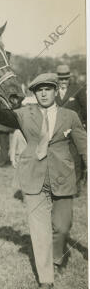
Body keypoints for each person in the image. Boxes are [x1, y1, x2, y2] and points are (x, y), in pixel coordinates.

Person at [0, 73, 87, 289]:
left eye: (48, 89)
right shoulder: (25, 114)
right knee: (39, 230)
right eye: (39, 90)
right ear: (34, 93)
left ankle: (56, 257)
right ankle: (46, 279)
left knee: (62, 227)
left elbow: (84, 145)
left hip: (63, 177)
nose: (43, 93)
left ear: (55, 91)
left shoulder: (69, 116)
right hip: (33, 178)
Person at [55, 64, 87, 193]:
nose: (63, 81)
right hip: (58, 131)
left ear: (69, 78)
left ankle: (75, 187)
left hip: (74, 130)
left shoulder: (78, 89)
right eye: (61, 79)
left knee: (75, 158)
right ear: (58, 79)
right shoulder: (53, 90)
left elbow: (85, 109)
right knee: (59, 158)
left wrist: (82, 125)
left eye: (66, 79)